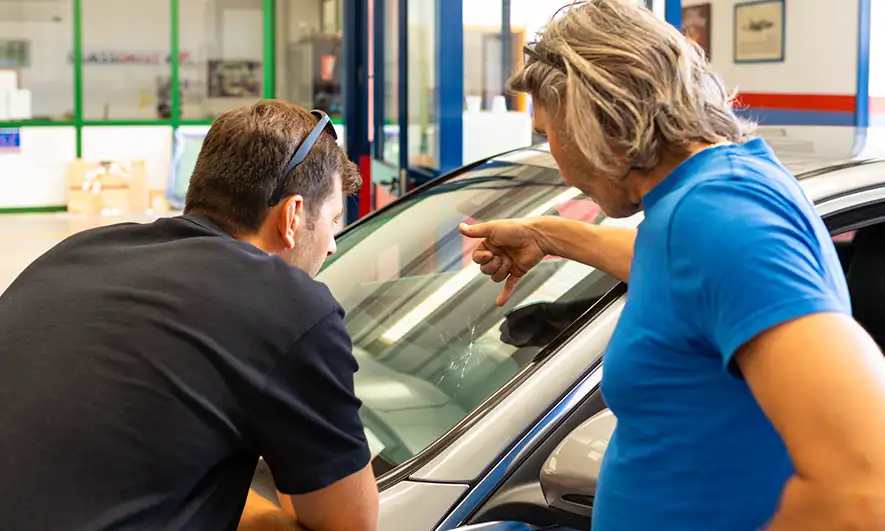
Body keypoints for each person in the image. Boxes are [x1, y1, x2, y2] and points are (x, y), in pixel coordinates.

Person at [459, 1, 885, 530]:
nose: (559, 165)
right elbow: (684, 277)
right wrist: (548, 235)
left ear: (595, 115)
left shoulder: (721, 218)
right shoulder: (699, 205)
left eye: (550, 137)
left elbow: (862, 485)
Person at [0, 100, 378, 531]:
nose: (332, 246)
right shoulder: (291, 306)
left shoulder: (77, 253)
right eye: (332, 220)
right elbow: (350, 525)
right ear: (292, 216)